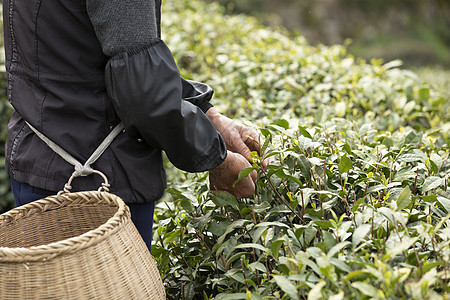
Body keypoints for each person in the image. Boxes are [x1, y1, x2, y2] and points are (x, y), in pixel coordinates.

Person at [2, 0, 267, 250]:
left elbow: (97, 56)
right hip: (97, 184)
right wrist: (218, 160)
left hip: (38, 161)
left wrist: (209, 116)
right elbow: (144, 92)